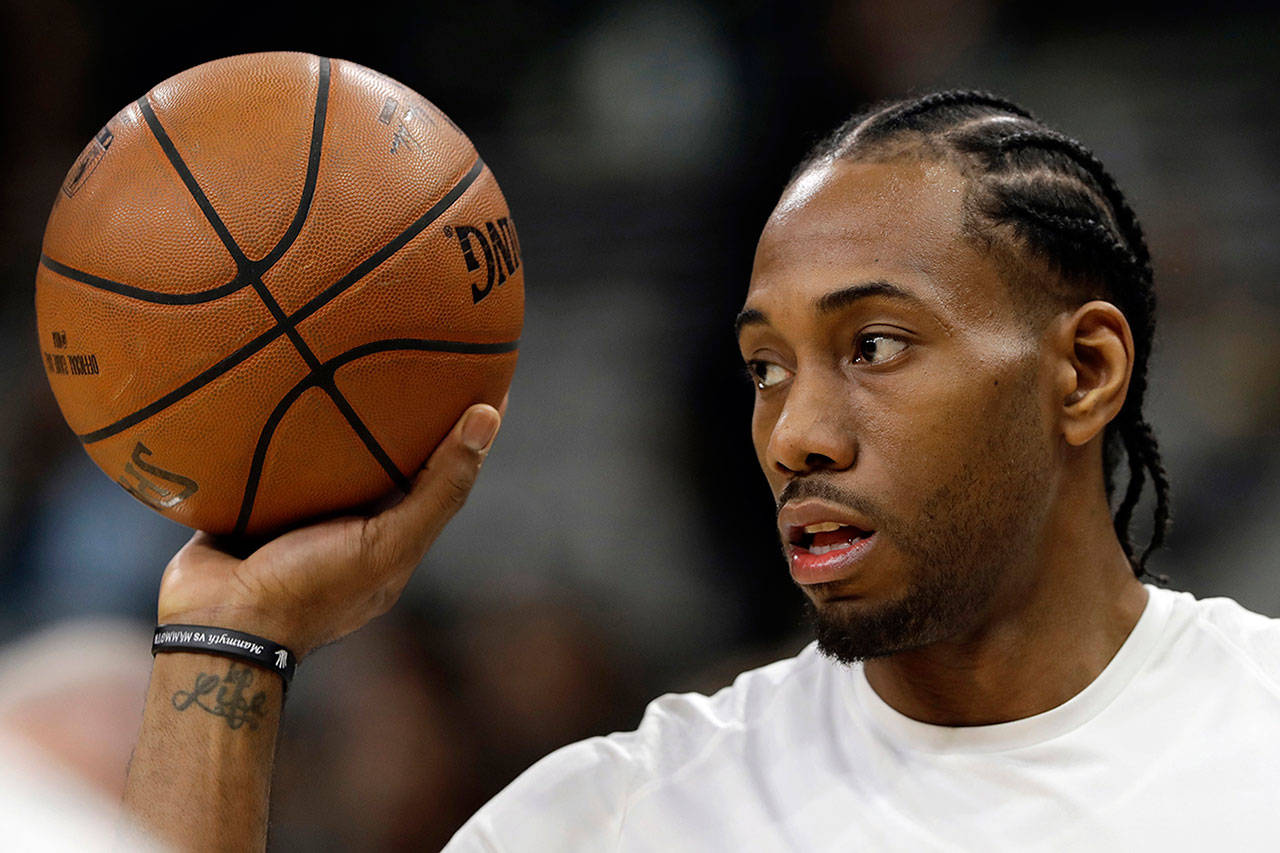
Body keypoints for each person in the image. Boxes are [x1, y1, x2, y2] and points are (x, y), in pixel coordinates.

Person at [121, 91, 1280, 851]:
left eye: (871, 346)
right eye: (765, 369)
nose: (795, 436)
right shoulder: (639, 814)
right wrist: (228, 642)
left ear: (1080, 371)